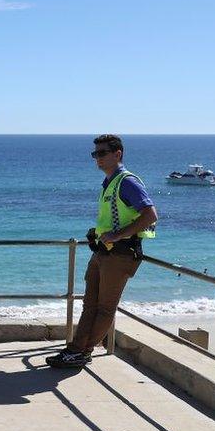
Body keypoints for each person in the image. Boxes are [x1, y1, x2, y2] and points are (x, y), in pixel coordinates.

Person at [47, 135, 157, 368]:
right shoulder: (110, 182)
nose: (97, 158)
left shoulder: (127, 182)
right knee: (90, 304)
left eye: (101, 153)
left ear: (117, 154)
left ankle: (82, 351)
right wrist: (99, 233)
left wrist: (118, 235)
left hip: (121, 254)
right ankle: (76, 350)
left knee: (105, 308)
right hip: (104, 252)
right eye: (95, 154)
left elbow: (150, 215)